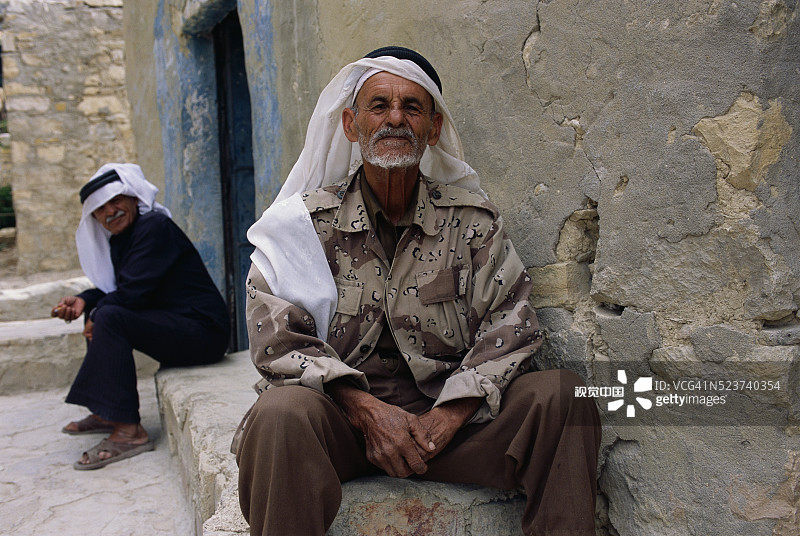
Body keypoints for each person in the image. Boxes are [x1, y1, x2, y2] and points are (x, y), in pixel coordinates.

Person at [235, 46, 601, 535]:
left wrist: (450, 414)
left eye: (412, 107)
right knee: (280, 414)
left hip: (451, 429)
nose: (395, 119)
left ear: (432, 129)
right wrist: (365, 411)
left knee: (564, 395)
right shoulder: (302, 226)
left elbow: (513, 325)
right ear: (351, 125)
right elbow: (277, 342)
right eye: (379, 106)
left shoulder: (471, 223)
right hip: (340, 425)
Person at [52, 163, 230, 470]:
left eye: (117, 200)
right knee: (100, 313)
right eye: (101, 208)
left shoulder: (154, 227)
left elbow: (131, 294)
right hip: (179, 327)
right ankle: (108, 411)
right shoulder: (123, 239)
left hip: (204, 333)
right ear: (95, 217)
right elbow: (121, 287)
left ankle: (130, 432)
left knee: (109, 316)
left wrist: (97, 310)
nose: (111, 211)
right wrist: (84, 301)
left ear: (135, 198)